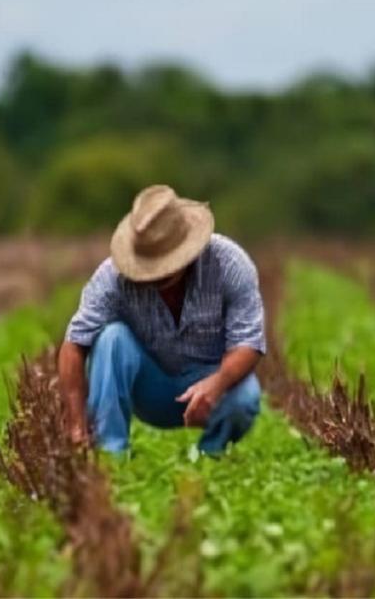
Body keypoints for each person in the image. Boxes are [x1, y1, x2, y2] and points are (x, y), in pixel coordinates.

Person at [59, 184, 265, 455]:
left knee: (246, 396)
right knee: (111, 339)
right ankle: (111, 455)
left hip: (211, 380)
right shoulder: (112, 278)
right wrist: (76, 424)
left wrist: (216, 383)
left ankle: (208, 456)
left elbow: (248, 344)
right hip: (150, 387)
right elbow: (73, 346)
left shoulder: (229, 264)